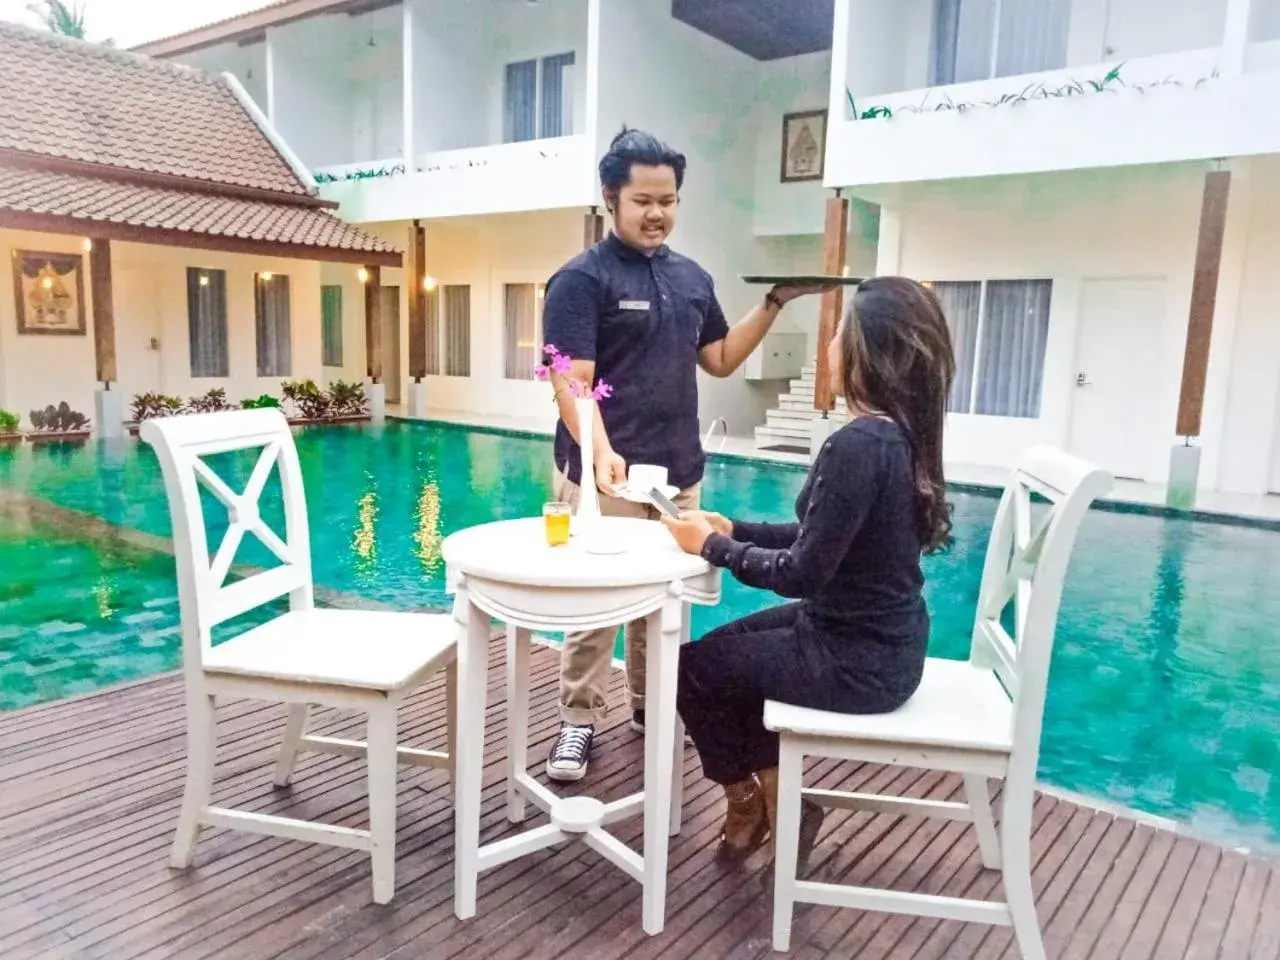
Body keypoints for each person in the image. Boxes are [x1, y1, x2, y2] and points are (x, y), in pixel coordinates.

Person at [540, 127, 823, 782]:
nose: (657, 213)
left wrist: (774, 303)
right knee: (596, 602)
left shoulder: (691, 277)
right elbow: (570, 382)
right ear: (611, 197)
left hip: (676, 472)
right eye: (643, 200)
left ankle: (651, 706)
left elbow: (719, 358)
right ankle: (578, 718)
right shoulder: (581, 280)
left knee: (665, 598)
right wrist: (600, 452)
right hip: (604, 475)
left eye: (667, 201)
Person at [660, 276, 956, 866]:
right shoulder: (897, 435)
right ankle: (781, 803)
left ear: (869, 351)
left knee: (689, 670)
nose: (830, 345)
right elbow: (821, 538)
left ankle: (756, 803)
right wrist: (733, 529)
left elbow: (801, 573)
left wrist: (711, 548)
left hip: (855, 661)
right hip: (875, 641)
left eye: (840, 333)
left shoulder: (857, 445)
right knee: (712, 659)